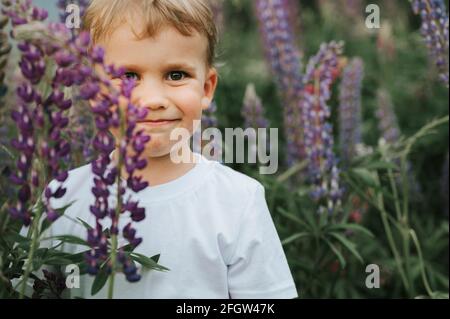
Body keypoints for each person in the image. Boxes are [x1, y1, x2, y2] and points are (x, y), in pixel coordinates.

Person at [45, 0, 298, 299]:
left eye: (176, 75)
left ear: (206, 88)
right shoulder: (62, 198)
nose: (153, 99)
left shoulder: (239, 200)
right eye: (128, 76)